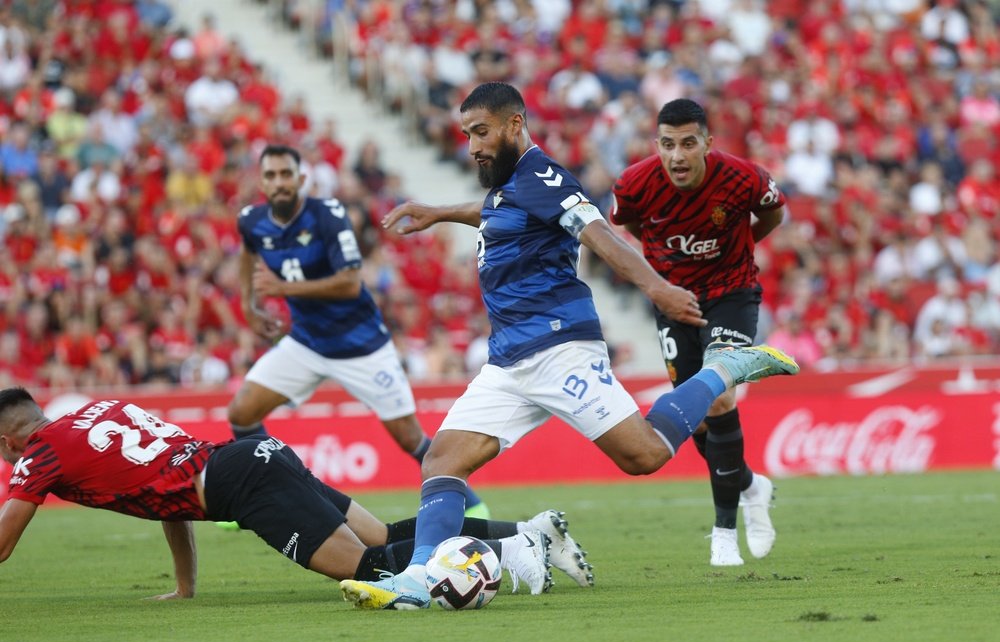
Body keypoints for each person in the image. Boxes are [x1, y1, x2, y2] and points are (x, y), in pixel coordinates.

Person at [339, 82, 799, 610]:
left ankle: (728, 368)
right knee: (442, 460)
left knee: (644, 455)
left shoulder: (544, 176)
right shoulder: (512, 185)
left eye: (482, 132)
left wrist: (657, 288)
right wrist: (439, 212)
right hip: (508, 360)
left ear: (515, 125)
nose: (473, 146)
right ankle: (418, 578)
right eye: (467, 135)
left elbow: (598, 233)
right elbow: (496, 209)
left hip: (559, 349)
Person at [0, 387, 593, 598]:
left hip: (241, 483)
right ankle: (527, 532)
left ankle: (510, 557)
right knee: (385, 537)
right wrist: (185, 587)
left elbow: (4, 544)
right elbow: (167, 494)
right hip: (255, 455)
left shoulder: (39, 455)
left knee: (371, 569)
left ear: (9, 440)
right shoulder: (99, 412)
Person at [227, 144, 488, 519]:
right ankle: (261, 494)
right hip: (307, 343)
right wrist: (251, 309)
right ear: (262, 182)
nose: (279, 182)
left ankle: (472, 504)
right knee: (242, 413)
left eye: (286, 174)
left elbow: (350, 283)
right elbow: (246, 256)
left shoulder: (328, 215)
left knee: (410, 439)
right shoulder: (252, 220)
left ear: (301, 179)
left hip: (361, 346)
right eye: (271, 175)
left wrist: (282, 290)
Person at [609, 98, 787, 567]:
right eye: (668, 144)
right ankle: (751, 485)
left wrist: (744, 246)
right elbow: (623, 226)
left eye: (688, 143)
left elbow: (773, 214)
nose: (678, 155)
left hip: (731, 292)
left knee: (719, 396)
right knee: (699, 424)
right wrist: (663, 278)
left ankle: (723, 533)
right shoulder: (634, 184)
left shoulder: (744, 178)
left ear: (707, 143)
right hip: (673, 302)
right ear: (657, 145)